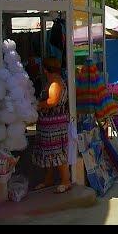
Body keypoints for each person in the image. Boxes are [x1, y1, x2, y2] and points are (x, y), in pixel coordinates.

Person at [32, 57, 72, 193]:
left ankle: (66, 181)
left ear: (45, 69)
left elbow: (52, 101)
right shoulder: (55, 81)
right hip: (49, 125)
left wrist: (37, 105)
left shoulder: (55, 83)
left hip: (53, 126)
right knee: (49, 154)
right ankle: (48, 179)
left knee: (57, 153)